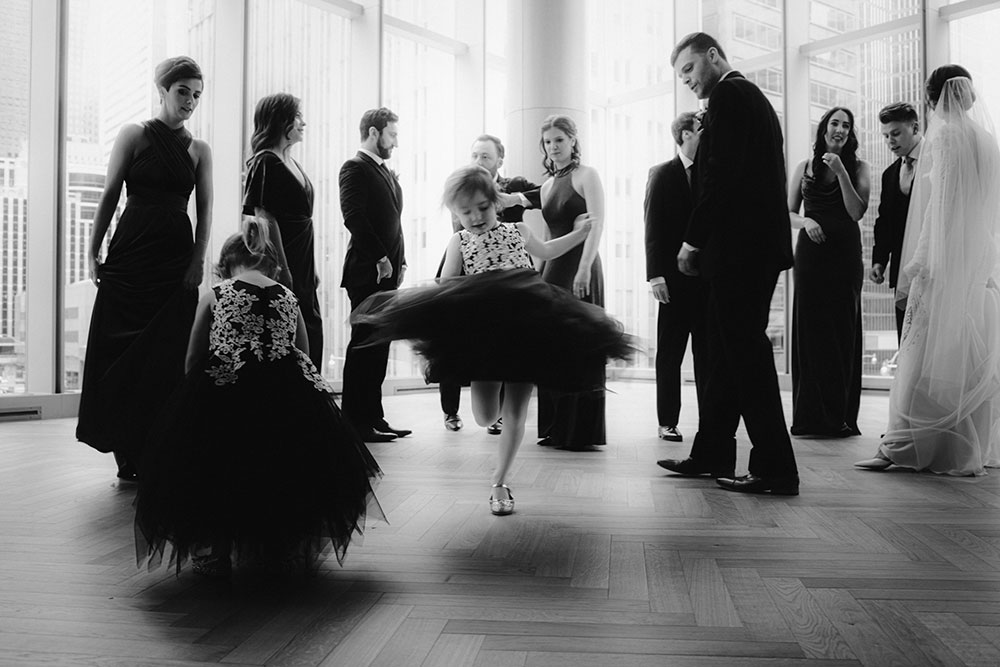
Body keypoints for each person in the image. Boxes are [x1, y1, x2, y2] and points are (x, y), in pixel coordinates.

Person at [352, 165, 630, 515]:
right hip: (485, 333)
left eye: (482, 207)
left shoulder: (518, 230)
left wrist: (578, 233)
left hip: (527, 321)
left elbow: (546, 251)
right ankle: (492, 424)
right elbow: (446, 283)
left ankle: (500, 482)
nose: (476, 217)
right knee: (485, 415)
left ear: (496, 203)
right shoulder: (460, 241)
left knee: (516, 410)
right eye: (465, 212)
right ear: (455, 214)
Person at [134, 220, 383, 577]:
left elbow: (193, 355)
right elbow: (303, 352)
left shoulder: (217, 294)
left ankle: (216, 551)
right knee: (283, 469)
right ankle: (280, 549)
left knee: (218, 472)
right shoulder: (288, 296)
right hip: (285, 397)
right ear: (272, 265)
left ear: (224, 266)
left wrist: (192, 398)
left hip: (226, 390)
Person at [658, 33, 799, 495]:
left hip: (742, 250)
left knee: (745, 357)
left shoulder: (732, 94)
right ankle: (712, 452)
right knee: (723, 356)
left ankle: (776, 468)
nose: (688, 82)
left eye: (690, 70)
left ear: (713, 57)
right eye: (681, 76)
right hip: (746, 249)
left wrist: (691, 241)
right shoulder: (741, 96)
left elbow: (722, 176)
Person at [856, 66, 1000, 476]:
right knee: (962, 353)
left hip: (943, 258)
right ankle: (964, 445)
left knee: (923, 351)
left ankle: (905, 446)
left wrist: (919, 263)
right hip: (976, 260)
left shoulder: (947, 136)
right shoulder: (987, 139)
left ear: (934, 97)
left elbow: (939, 208)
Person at [76, 56, 212, 481]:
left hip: (175, 259)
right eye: (182, 91)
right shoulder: (133, 134)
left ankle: (155, 444)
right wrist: (92, 250)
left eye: (196, 95)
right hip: (130, 254)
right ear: (162, 91)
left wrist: (197, 262)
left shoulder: (199, 149)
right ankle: (124, 446)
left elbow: (205, 212)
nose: (190, 101)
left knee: (166, 356)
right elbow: (110, 193)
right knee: (117, 350)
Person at [439, 134, 540, 434]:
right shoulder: (461, 185)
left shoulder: (515, 186)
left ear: (499, 160)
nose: (478, 161)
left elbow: (546, 195)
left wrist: (516, 199)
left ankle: (504, 414)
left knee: (509, 353)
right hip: (469, 264)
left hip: (511, 285)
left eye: (485, 156)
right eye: (475, 155)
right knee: (449, 333)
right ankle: (451, 411)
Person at [787, 107, 869, 438]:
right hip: (810, 257)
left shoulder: (860, 167)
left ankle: (839, 417)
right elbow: (785, 212)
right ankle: (809, 417)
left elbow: (856, 212)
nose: (839, 129)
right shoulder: (803, 167)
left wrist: (842, 172)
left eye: (846, 126)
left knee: (841, 331)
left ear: (849, 135)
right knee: (810, 330)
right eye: (835, 123)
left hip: (845, 257)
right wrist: (806, 221)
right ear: (824, 129)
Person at [535, 115, 609, 451]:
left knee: (581, 346)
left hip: (581, 268)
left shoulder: (587, 175)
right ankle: (552, 426)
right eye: (548, 141)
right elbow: (549, 236)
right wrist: (538, 274)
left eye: (559, 140)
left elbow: (596, 225)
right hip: (552, 271)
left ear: (573, 141)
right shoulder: (548, 185)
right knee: (551, 348)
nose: (554, 147)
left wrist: (583, 269)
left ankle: (578, 431)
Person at [339, 107, 410, 443]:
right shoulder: (354, 167)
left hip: (388, 273)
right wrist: (381, 257)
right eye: (392, 134)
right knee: (364, 347)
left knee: (379, 347)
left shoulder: (383, 170)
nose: (395, 142)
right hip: (368, 271)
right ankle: (355, 421)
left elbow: (392, 221)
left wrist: (402, 258)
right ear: (373, 132)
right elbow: (353, 216)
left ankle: (374, 417)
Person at [243, 93, 324, 371]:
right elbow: (266, 218)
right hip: (285, 256)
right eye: (298, 116)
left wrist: (309, 267)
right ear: (282, 120)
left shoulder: (289, 159)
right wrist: (283, 267)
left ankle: (311, 397)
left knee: (310, 325)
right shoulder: (266, 161)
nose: (304, 122)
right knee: (289, 327)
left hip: (302, 254)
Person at [644, 111, 708, 444]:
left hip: (708, 279)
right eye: (701, 131)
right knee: (670, 353)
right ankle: (667, 420)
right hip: (672, 281)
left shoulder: (711, 173)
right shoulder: (661, 174)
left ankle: (709, 422)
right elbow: (652, 227)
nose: (706, 136)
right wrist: (655, 276)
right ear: (685, 134)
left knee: (707, 355)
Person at [871, 102, 923, 343]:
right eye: (885, 136)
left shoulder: (939, 159)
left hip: (934, 268)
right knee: (906, 339)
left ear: (914, 127)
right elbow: (885, 222)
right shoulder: (889, 173)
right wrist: (879, 260)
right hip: (902, 270)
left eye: (895, 133)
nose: (890, 141)